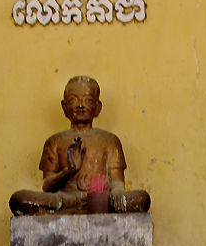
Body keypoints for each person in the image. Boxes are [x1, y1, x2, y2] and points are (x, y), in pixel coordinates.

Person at [9, 76, 151, 215]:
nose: (80, 105)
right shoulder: (55, 141)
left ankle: (90, 205)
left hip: (102, 199)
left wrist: (117, 194)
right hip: (66, 199)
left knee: (142, 198)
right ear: (64, 107)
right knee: (19, 199)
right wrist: (69, 170)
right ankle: (75, 207)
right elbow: (47, 186)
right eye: (73, 100)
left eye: (88, 100)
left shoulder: (110, 140)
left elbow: (117, 182)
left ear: (97, 107)